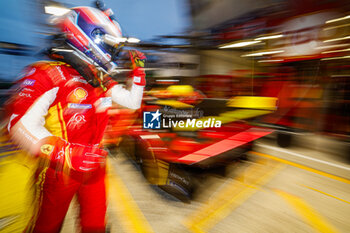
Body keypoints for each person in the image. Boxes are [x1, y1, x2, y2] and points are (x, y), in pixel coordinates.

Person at [5, 6, 146, 233]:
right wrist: (65, 153)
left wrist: (139, 75)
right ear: (89, 36)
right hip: (59, 169)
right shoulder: (47, 74)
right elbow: (18, 124)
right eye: (111, 46)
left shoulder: (100, 81)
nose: (114, 53)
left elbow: (132, 102)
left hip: (94, 165)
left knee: (95, 225)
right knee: (46, 227)